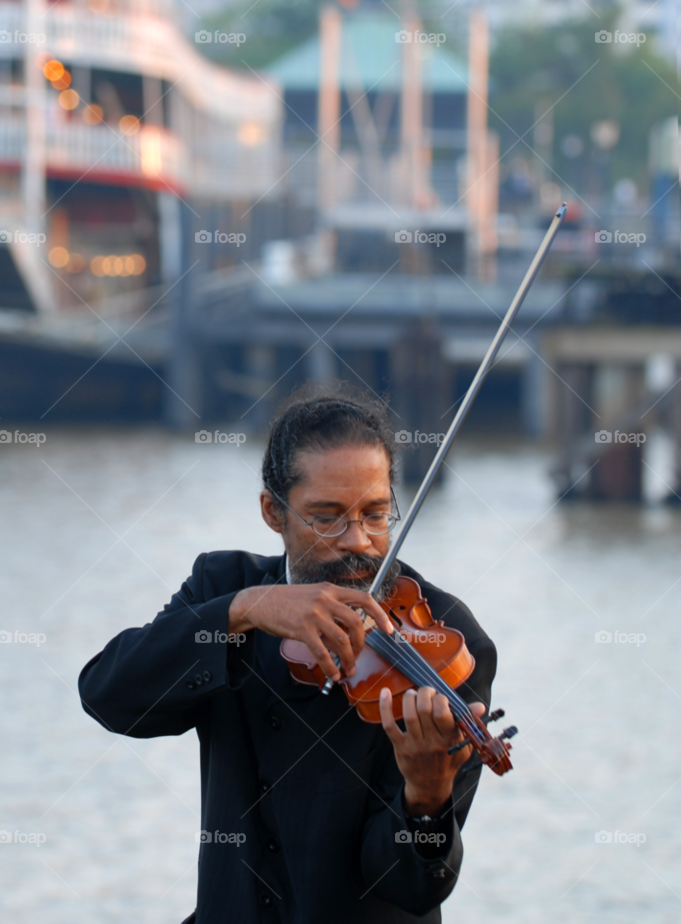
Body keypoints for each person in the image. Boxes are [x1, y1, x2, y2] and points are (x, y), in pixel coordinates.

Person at [78, 387, 497, 923]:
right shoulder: (225, 586)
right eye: (327, 517)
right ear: (273, 512)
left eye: (375, 513)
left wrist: (427, 796)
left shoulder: (446, 640)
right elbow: (109, 696)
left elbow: (410, 888)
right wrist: (245, 609)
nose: (359, 541)